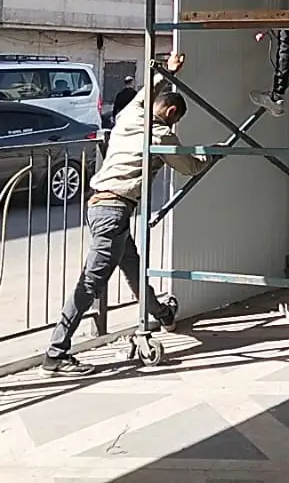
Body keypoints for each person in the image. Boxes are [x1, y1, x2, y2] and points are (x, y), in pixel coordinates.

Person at [41, 53, 210, 376]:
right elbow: (190, 167)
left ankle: (161, 313)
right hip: (115, 210)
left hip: (99, 206)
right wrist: (211, 156)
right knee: (90, 283)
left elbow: (147, 93)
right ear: (171, 114)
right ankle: (55, 354)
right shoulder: (161, 135)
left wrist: (168, 72)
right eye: (175, 120)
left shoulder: (132, 115)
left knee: (132, 267)